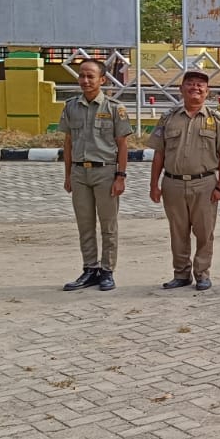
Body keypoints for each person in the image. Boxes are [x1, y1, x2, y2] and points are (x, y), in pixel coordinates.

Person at [148, 69, 220, 291]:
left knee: (204, 232)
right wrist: (154, 185)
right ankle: (181, 274)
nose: (195, 88)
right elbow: (159, 153)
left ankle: (202, 273)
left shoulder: (216, 119)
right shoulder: (168, 118)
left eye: (200, 85)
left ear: (207, 91)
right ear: (181, 89)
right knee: (178, 232)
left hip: (205, 184)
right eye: (190, 84)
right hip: (173, 183)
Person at [60, 59, 132, 292]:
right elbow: (68, 142)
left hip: (105, 172)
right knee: (85, 224)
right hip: (80, 172)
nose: (85, 80)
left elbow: (122, 145)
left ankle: (107, 270)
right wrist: (68, 174)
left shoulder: (113, 108)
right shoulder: (71, 106)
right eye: (82, 75)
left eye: (91, 76)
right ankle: (89, 269)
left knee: (108, 225)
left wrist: (120, 176)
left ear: (102, 80)